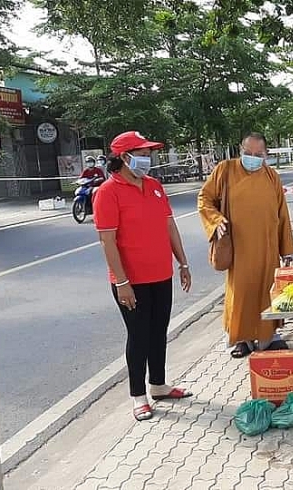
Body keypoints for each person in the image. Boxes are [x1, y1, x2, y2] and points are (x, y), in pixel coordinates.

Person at [93, 131, 194, 421]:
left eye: (148, 153)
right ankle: (138, 395)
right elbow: (107, 241)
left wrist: (183, 263)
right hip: (130, 282)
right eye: (141, 153)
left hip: (160, 275)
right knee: (138, 336)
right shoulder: (107, 193)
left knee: (158, 331)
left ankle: (159, 385)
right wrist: (122, 282)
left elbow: (169, 226)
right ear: (124, 157)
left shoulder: (155, 186)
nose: (147, 159)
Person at [198, 133, 293, 358]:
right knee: (241, 293)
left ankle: (268, 338)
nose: (252, 158)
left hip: (268, 247)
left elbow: (282, 214)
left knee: (267, 291)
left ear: (266, 154)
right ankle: (242, 339)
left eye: (257, 155)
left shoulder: (272, 176)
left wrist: (287, 250)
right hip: (239, 247)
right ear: (240, 150)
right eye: (247, 153)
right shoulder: (225, 170)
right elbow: (204, 198)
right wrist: (216, 221)